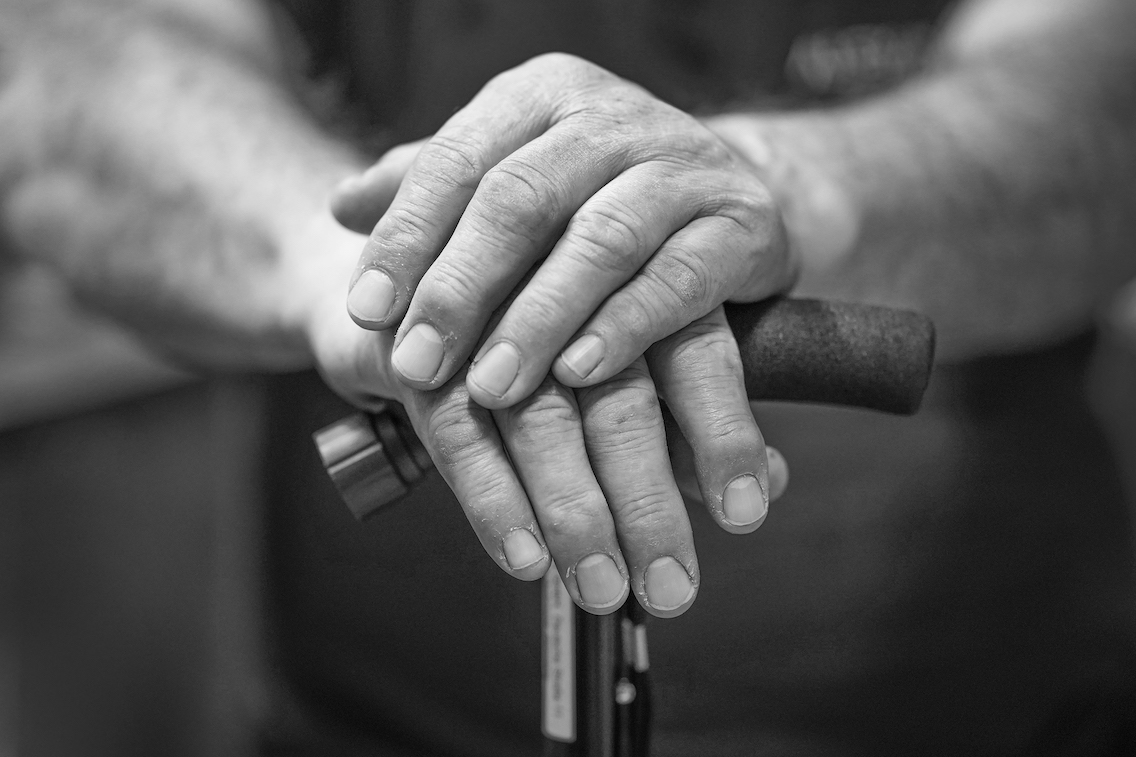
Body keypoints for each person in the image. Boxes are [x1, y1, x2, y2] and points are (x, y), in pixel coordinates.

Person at [2, 0, 1135, 754]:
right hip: (370, 727)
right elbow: (72, 72)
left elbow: (1101, 104)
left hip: (1005, 715)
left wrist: (775, 188)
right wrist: (389, 282)